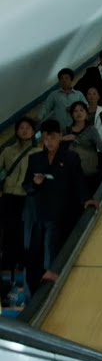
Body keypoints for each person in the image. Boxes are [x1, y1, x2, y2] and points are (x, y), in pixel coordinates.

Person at [23, 120, 98, 295]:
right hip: (36, 213)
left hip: (60, 212)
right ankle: (33, 291)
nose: (49, 141)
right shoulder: (34, 159)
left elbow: (79, 181)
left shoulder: (70, 157)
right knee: (33, 252)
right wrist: (35, 183)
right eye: (46, 138)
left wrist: (86, 199)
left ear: (60, 136)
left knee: (53, 245)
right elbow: (26, 186)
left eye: (53, 137)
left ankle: (52, 280)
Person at [0, 117, 39, 282]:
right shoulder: (8, 151)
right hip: (8, 194)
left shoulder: (38, 153)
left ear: (33, 131)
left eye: (28, 128)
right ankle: (8, 260)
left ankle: (22, 260)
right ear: (16, 131)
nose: (24, 130)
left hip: (26, 196)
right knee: (8, 228)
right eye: (21, 128)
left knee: (24, 228)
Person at [63, 102, 102, 192]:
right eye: (75, 111)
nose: (78, 113)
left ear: (86, 113)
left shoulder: (91, 130)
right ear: (71, 114)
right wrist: (63, 139)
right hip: (72, 175)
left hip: (88, 173)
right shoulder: (66, 131)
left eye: (81, 110)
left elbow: (101, 145)